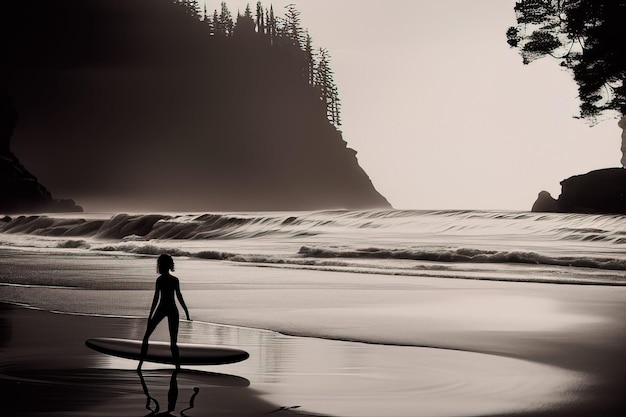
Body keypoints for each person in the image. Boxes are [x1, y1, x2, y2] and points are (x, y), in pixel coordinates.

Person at [138, 254, 191, 370]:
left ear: (161, 265)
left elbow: (156, 298)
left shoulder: (160, 280)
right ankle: (178, 368)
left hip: (162, 308)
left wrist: (150, 316)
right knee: (173, 343)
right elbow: (179, 297)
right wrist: (187, 313)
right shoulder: (174, 280)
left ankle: (139, 366)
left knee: (146, 337)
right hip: (172, 309)